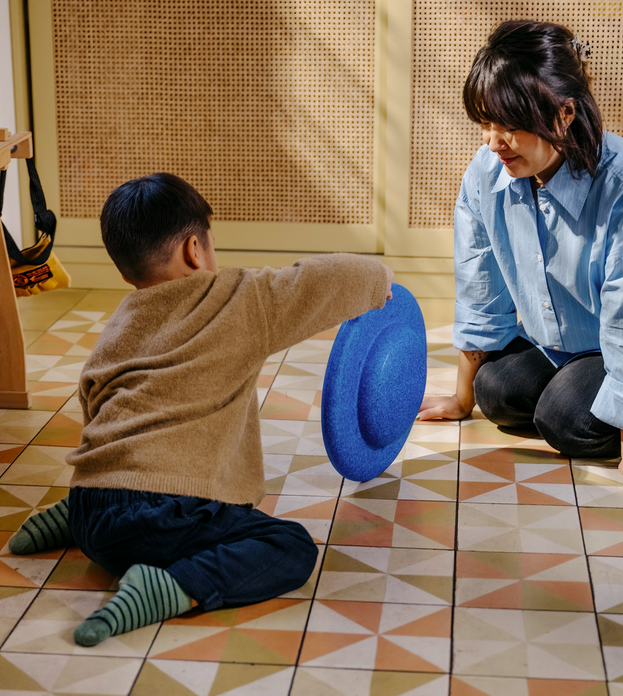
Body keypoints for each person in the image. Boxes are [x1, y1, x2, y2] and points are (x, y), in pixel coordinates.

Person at [9, 173, 393, 644]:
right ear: (195, 249)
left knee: (119, 476)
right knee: (289, 547)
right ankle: (173, 588)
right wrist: (381, 283)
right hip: (159, 521)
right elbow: (335, 276)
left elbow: (95, 408)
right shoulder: (240, 299)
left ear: (126, 270)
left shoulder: (119, 325)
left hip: (94, 505)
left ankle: (71, 517)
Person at [419, 20, 623, 492]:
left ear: (564, 113)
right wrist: (461, 398)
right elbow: (481, 287)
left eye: (510, 126)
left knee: (565, 419)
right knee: (497, 391)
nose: (494, 142)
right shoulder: (486, 173)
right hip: (571, 344)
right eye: (487, 124)